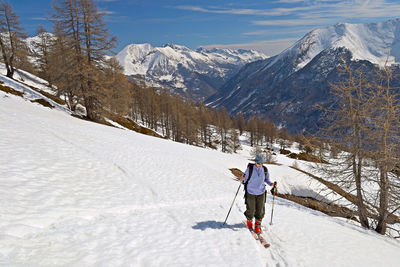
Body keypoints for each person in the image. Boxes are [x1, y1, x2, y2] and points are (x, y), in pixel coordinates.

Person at [240, 154, 277, 234]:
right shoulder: (250, 169)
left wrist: (271, 184)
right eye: (258, 163)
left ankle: (257, 225)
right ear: (255, 162)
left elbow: (267, 180)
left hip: (261, 192)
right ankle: (249, 221)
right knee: (251, 209)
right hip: (251, 192)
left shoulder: (265, 169)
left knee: (260, 210)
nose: (260, 165)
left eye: (261, 163)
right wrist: (242, 179)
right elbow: (244, 179)